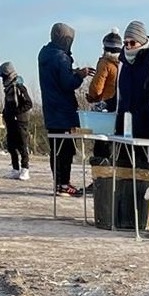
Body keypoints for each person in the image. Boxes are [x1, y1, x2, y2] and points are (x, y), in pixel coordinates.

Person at [38, 23, 94, 196]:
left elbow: (56, 78)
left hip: (51, 110)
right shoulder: (61, 58)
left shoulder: (45, 55)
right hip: (64, 110)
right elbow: (67, 83)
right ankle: (64, 184)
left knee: (56, 149)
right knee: (66, 149)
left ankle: (59, 183)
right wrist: (79, 75)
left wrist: (72, 71)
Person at [86, 28, 121, 162]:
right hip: (119, 110)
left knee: (101, 146)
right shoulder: (124, 63)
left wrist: (92, 97)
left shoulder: (105, 63)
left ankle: (99, 178)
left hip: (105, 110)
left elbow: (96, 88)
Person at [0, 62, 33, 180]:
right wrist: (5, 113)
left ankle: (25, 169)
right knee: (11, 145)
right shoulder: (7, 88)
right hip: (10, 121)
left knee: (22, 145)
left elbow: (29, 103)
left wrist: (16, 113)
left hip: (20, 120)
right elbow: (8, 104)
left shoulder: (19, 86)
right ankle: (15, 169)